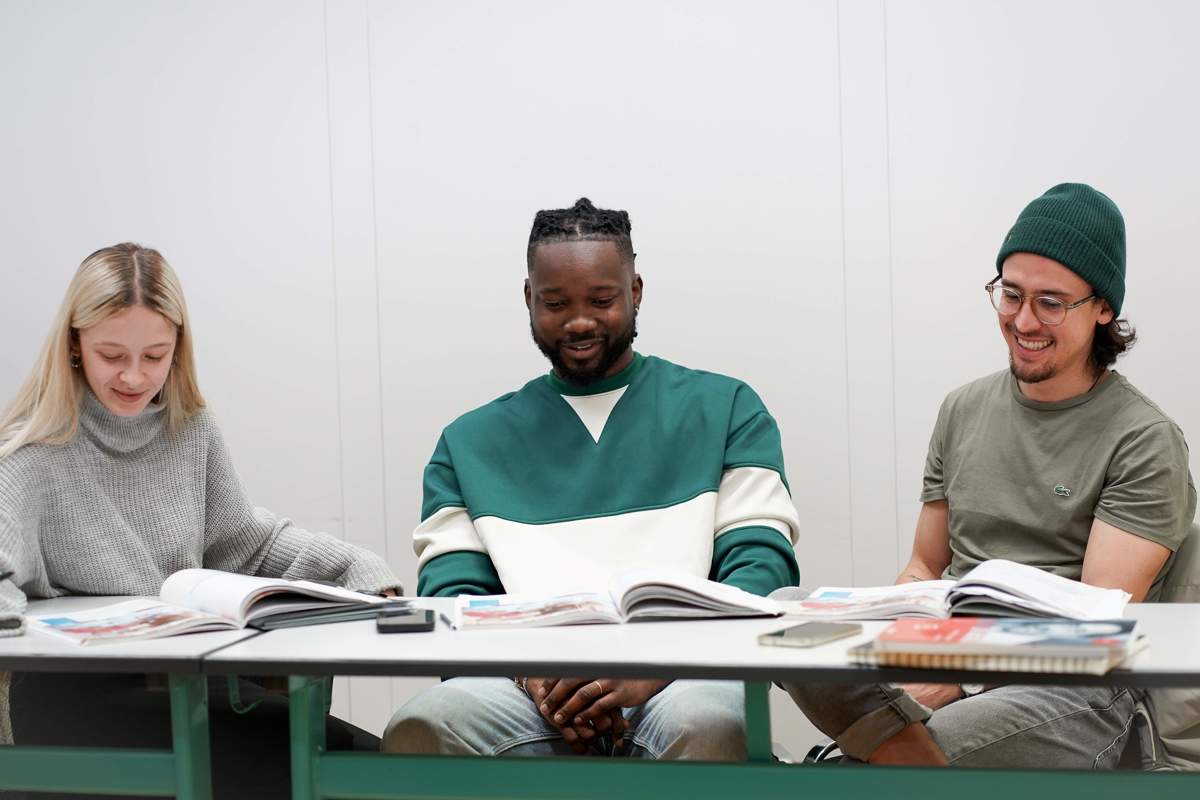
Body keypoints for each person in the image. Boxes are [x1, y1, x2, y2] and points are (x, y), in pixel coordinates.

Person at [783, 183, 1196, 768]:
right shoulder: (962, 409)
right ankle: (886, 749)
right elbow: (924, 567)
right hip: (950, 653)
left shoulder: (1144, 439)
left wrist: (958, 682)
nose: (1023, 320)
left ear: (1103, 308)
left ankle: (863, 757)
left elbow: (1091, 628)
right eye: (1011, 294)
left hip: (1072, 689)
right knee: (788, 612)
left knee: (908, 751)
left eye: (1051, 302)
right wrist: (896, 643)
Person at [382, 198, 801, 759]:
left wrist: (653, 664)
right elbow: (454, 601)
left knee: (708, 723)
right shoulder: (468, 443)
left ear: (636, 291)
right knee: (425, 725)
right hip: (527, 687)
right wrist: (534, 675)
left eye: (602, 300)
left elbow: (760, 571)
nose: (579, 321)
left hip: (683, 675)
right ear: (528, 299)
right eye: (556, 303)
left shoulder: (726, 409)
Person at [0, 243, 403, 799]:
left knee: (357, 759)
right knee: (345, 768)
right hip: (78, 702)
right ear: (74, 343)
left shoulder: (189, 429)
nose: (134, 376)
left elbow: (246, 543)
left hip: (184, 686)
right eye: (112, 355)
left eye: (155, 355)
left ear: (178, 347)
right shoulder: (32, 451)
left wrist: (357, 567)